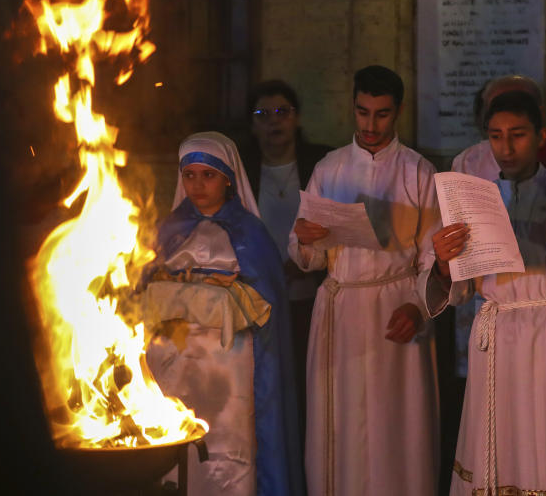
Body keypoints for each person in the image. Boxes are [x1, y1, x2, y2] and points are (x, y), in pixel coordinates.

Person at [422, 90, 546, 496]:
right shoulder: (472, 197)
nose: (505, 148)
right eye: (495, 136)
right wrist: (444, 260)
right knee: (498, 439)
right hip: (497, 328)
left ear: (540, 135)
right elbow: (457, 288)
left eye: (518, 135)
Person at [289, 65, 440, 496]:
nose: (370, 126)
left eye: (382, 115)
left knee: (397, 428)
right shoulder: (330, 167)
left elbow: (434, 256)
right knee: (340, 427)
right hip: (340, 308)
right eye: (362, 112)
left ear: (399, 112)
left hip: (397, 307)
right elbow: (309, 256)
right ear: (352, 107)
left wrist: (417, 306)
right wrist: (305, 238)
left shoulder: (419, 172)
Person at [144, 132, 304, 496]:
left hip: (230, 365)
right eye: (190, 175)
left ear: (228, 178)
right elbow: (145, 285)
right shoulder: (168, 230)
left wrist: (221, 292)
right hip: (175, 360)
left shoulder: (251, 234)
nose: (197, 185)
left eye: (208, 175)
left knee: (229, 447)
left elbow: (265, 302)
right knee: (177, 442)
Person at [239, 79, 333, 446]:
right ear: (252, 124)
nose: (273, 122)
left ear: (296, 118)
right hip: (260, 299)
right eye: (263, 114)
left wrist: (304, 261)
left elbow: (333, 223)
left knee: (310, 385)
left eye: (282, 112)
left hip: (310, 295)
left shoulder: (320, 166)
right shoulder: (244, 171)